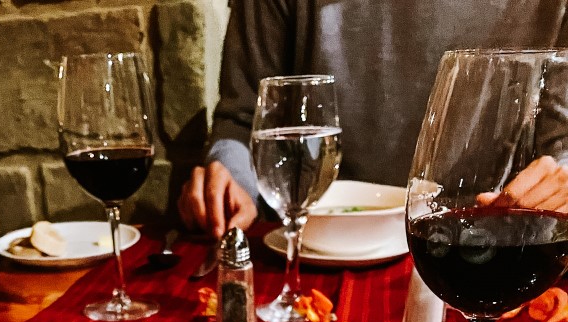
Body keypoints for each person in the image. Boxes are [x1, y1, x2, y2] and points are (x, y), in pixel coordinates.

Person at [178, 0, 568, 237]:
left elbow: (561, 143)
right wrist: (233, 180)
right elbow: (245, 122)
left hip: (494, 249)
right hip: (317, 243)